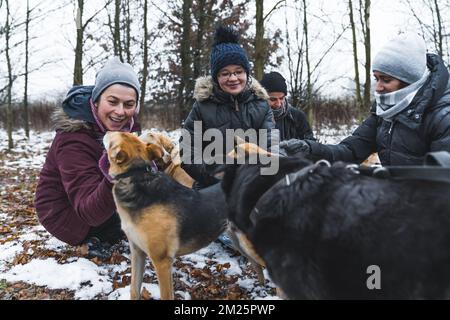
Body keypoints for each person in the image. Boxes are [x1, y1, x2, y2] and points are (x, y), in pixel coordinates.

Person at [280, 33, 450, 165]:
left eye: (386, 79)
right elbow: (350, 150)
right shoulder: (384, 112)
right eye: (376, 78)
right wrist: (309, 149)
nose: (378, 87)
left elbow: (440, 186)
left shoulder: (443, 117)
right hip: (398, 198)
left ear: (410, 80)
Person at [34, 57, 141, 258]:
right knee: (125, 221)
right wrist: (117, 174)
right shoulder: (73, 138)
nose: (120, 111)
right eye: (112, 101)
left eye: (129, 104)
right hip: (66, 213)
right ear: (97, 99)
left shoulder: (128, 127)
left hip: (98, 198)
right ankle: (93, 240)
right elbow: (89, 212)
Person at [180, 24, 276, 189]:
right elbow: (187, 153)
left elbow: (272, 148)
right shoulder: (201, 107)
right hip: (212, 186)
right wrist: (218, 177)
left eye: (238, 71)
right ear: (216, 77)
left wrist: (252, 178)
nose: (233, 78)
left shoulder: (261, 105)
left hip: (254, 185)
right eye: (225, 73)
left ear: (246, 73)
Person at [260, 71, 314, 141]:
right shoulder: (253, 117)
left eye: (281, 98)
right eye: (273, 99)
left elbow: (310, 144)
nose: (278, 104)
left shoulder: (298, 117)